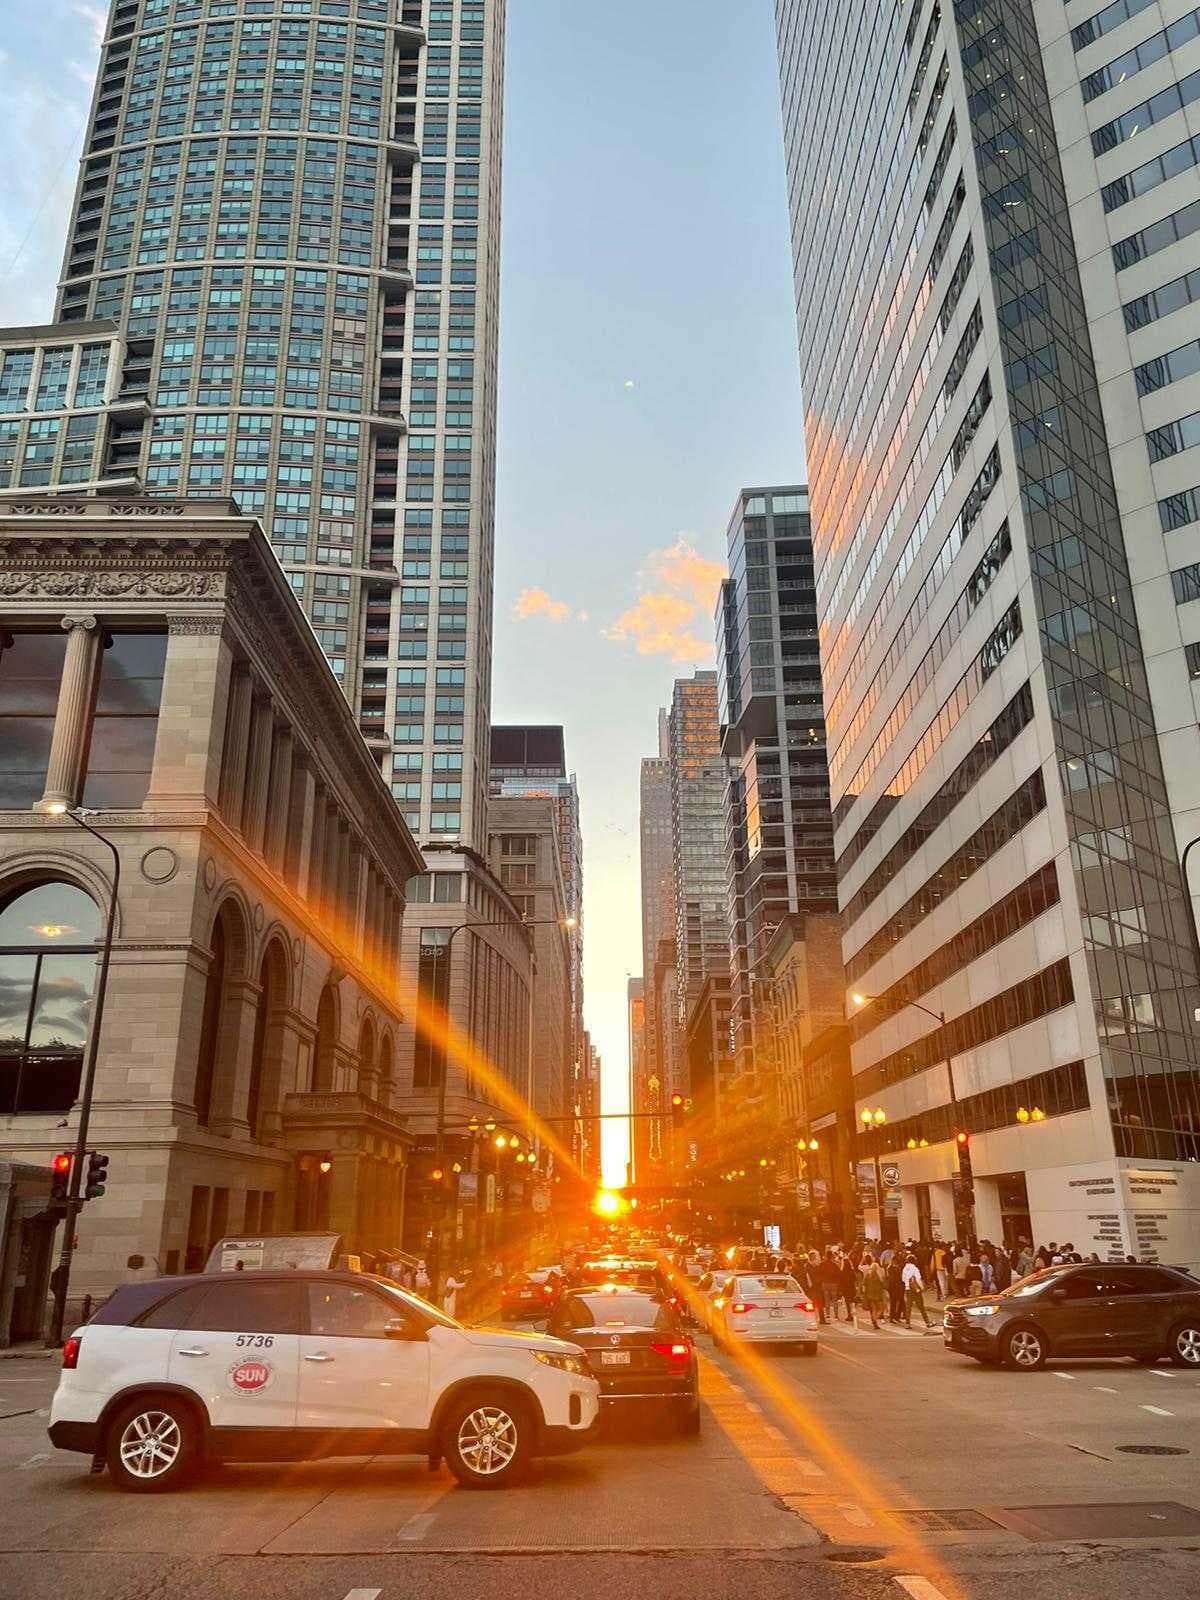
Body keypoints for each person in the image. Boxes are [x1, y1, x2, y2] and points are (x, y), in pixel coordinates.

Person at [902, 1254, 932, 1328]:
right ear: (913, 1261)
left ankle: (907, 1324)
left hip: (908, 1289)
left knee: (908, 1307)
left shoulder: (904, 1268)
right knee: (921, 1307)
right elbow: (918, 1279)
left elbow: (903, 1279)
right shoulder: (915, 1269)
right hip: (915, 1290)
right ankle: (927, 1322)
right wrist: (922, 1288)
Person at [859, 1254, 887, 1330]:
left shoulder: (868, 1275)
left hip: (869, 1294)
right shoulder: (880, 1276)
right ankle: (875, 1319)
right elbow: (884, 1285)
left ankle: (874, 1321)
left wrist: (864, 1293)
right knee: (881, 1309)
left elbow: (864, 1284)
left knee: (873, 1309)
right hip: (878, 1295)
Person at [837, 1252, 857, 1323]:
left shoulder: (842, 1272)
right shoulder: (851, 1271)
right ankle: (852, 1313)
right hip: (851, 1288)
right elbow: (854, 1279)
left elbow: (840, 1281)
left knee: (847, 1302)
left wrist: (840, 1290)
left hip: (845, 1289)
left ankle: (849, 1314)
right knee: (851, 1301)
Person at [886, 1251, 905, 1323]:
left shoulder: (898, 1267)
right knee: (893, 1303)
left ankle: (897, 1316)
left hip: (898, 1287)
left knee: (900, 1302)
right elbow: (893, 1278)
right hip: (893, 1287)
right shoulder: (891, 1268)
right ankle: (892, 1317)